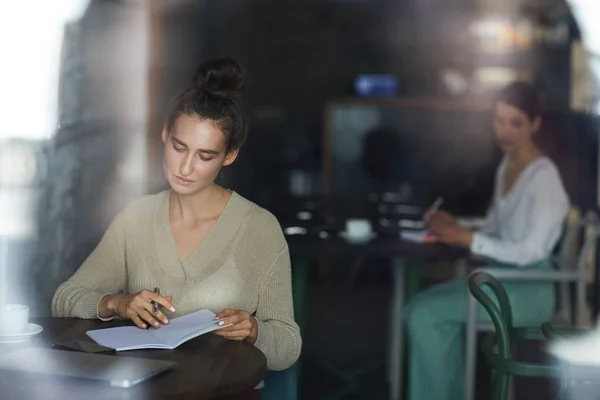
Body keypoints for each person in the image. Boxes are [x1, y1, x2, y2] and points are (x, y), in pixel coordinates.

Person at [51, 57, 301, 371]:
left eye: (205, 156)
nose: (184, 168)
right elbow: (64, 299)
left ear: (230, 155)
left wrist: (254, 331)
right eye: (179, 147)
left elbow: (288, 346)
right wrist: (118, 303)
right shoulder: (137, 217)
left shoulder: (259, 228)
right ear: (165, 133)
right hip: (141, 388)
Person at [405, 81, 569, 400]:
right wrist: (455, 224)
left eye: (516, 123)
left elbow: (532, 250)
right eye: (499, 121)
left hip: (528, 289)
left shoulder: (545, 179)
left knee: (424, 313)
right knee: (420, 307)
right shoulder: (509, 165)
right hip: (500, 281)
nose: (505, 131)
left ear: (535, 125)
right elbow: (496, 225)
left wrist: (469, 238)